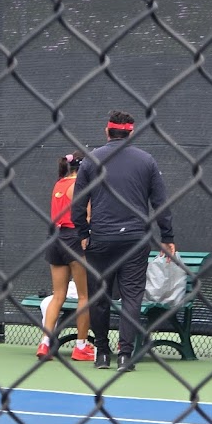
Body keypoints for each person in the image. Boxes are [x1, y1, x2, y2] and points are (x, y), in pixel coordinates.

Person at [71, 110, 175, 372]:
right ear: (132, 132)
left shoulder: (91, 161)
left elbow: (78, 204)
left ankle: (102, 353)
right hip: (135, 240)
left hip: (100, 240)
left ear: (107, 131)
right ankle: (125, 356)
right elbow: (160, 203)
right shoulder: (146, 161)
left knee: (99, 297)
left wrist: (83, 234)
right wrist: (167, 236)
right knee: (132, 297)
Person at [37, 151, 94, 362]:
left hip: (55, 240)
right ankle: (81, 347)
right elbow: (88, 217)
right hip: (74, 239)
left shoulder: (58, 184)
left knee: (58, 295)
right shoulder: (80, 186)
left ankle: (45, 343)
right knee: (85, 296)